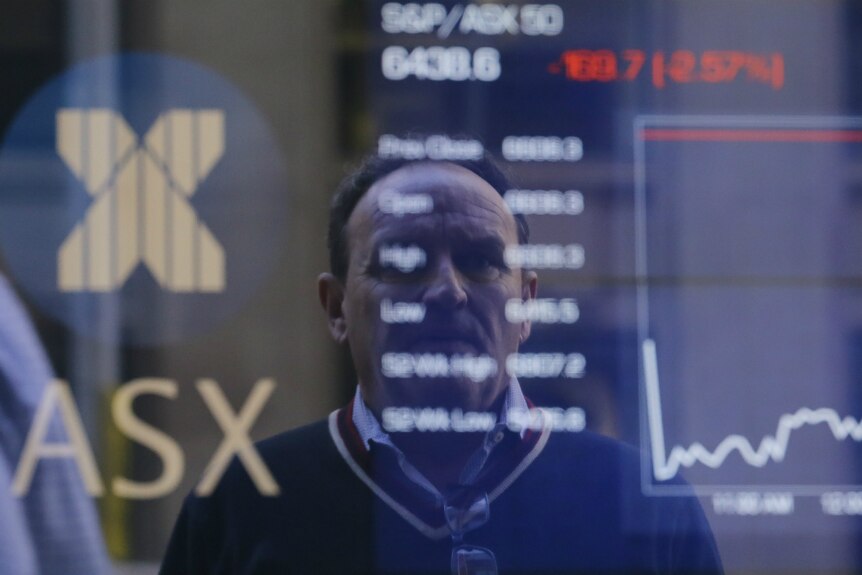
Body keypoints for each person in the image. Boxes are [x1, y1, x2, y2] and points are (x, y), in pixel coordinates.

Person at [161, 153, 723, 574]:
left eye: (480, 261)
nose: (447, 292)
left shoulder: (649, 506)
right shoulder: (242, 503)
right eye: (405, 261)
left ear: (525, 302)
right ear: (336, 308)